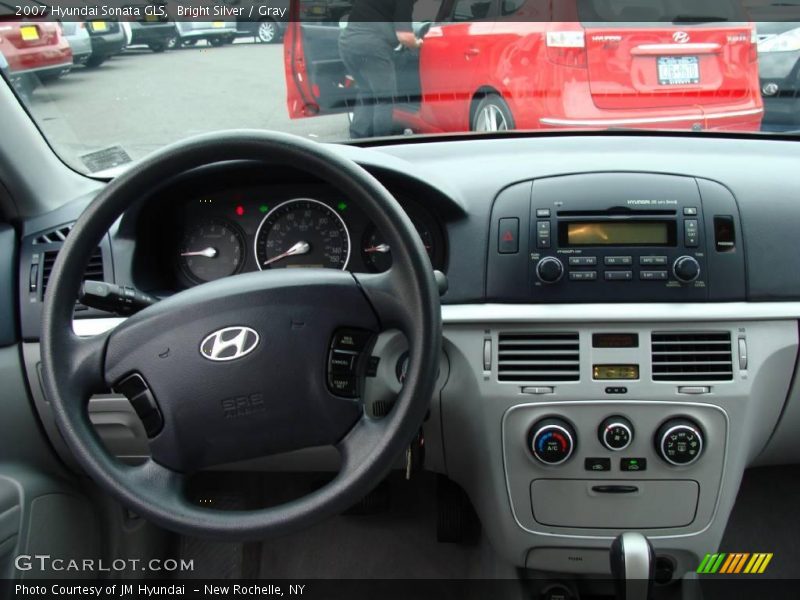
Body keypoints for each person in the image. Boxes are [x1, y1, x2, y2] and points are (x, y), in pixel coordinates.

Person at [338, 0, 422, 139]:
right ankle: (380, 141)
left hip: (347, 44)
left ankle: (357, 137)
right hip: (371, 47)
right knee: (385, 99)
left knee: (366, 91)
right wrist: (417, 43)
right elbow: (405, 37)